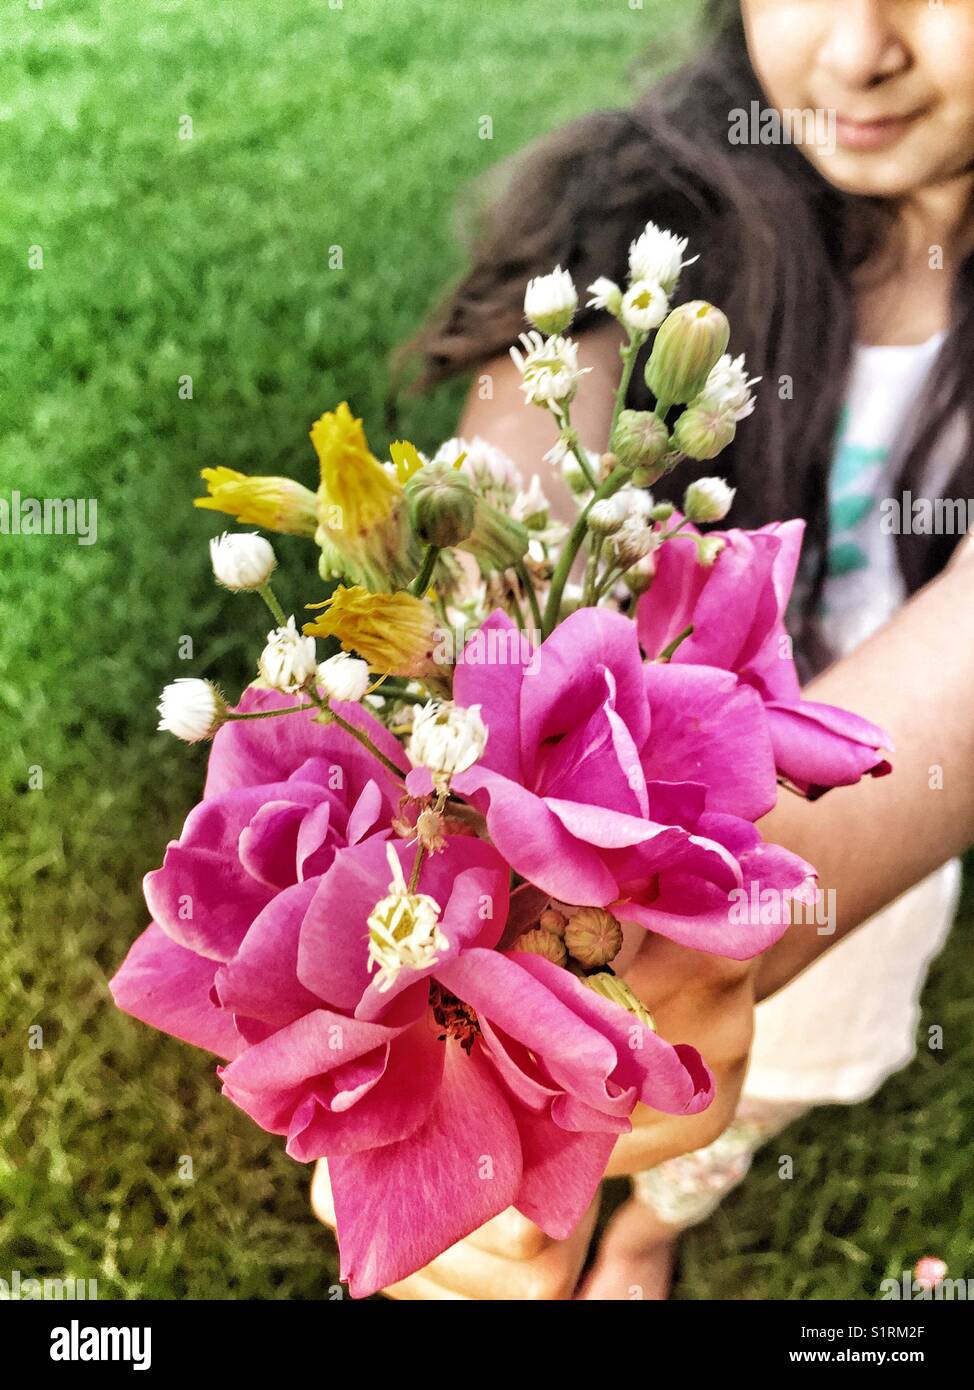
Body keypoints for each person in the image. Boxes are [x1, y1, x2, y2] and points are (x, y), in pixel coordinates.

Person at [312, 0, 974, 1297]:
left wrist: (695, 919)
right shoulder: (653, 203)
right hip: (613, 803)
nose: (854, 50)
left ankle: (648, 1228)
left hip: (857, 840)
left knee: (755, 1087)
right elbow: (512, 487)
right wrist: (493, 908)